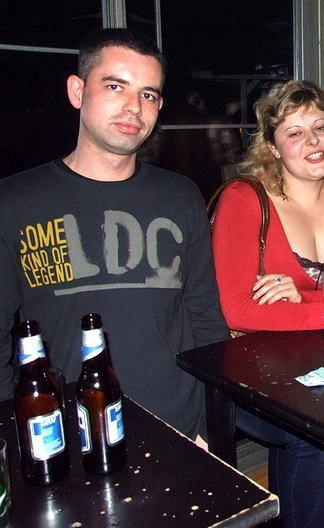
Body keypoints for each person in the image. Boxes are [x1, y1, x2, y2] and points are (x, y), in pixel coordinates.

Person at [0, 28, 228, 441]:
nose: (133, 107)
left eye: (148, 94)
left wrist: (210, 422)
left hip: (178, 426)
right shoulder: (15, 201)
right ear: (77, 91)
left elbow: (205, 316)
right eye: (114, 86)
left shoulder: (181, 195)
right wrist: (18, 437)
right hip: (67, 433)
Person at [211, 79, 324, 528]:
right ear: (272, 147)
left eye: (320, 127)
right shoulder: (243, 198)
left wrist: (305, 297)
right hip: (261, 376)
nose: (312, 141)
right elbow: (239, 309)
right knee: (317, 443)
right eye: (294, 132)